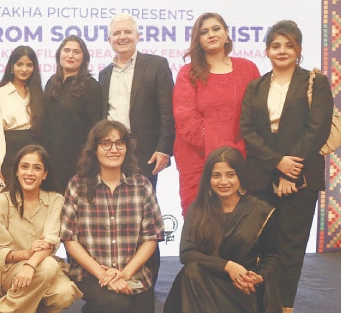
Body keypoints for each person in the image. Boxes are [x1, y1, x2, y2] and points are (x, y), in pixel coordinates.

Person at [155, 147, 341, 313]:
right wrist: (228, 266)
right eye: (216, 175)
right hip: (208, 287)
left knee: (198, 276)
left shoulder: (260, 211)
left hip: (245, 291)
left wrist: (258, 277)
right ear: (208, 179)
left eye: (230, 174)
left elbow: (272, 256)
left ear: (241, 176)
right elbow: (187, 254)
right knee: (191, 273)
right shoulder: (199, 209)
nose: (223, 181)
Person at [240, 20, 334, 313]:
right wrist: (276, 164)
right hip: (262, 176)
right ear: (267, 50)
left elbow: (316, 129)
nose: (282, 51)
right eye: (276, 45)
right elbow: (248, 131)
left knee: (291, 243)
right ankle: (262, 300)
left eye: (288, 45)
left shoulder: (315, 83)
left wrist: (289, 171)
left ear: (299, 49)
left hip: (301, 176)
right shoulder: (256, 85)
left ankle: (284, 305)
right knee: (264, 242)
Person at [60, 120, 163, 313]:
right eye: (106, 143)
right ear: (94, 149)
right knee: (116, 304)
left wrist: (125, 273)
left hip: (133, 274)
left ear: (127, 148)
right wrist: (102, 274)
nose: (113, 149)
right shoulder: (77, 185)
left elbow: (151, 238)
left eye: (119, 143)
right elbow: (69, 239)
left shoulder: (142, 185)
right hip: (92, 273)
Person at [0, 145, 81, 313]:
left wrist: (31, 265)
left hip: (40, 267)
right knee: (49, 265)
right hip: (11, 269)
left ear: (45, 174)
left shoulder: (56, 200)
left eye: (37, 168)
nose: (29, 173)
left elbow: (50, 241)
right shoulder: (1, 202)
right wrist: (27, 255)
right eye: (24, 167)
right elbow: (0, 251)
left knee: (65, 293)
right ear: (16, 171)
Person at [173, 12, 260, 214]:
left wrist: (236, 155)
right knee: (201, 224)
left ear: (227, 33)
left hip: (242, 159)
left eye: (216, 29)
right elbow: (186, 120)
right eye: (204, 32)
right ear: (198, 39)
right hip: (198, 160)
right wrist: (225, 154)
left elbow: (257, 114)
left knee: (239, 223)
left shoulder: (247, 68)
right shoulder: (188, 72)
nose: (211, 34)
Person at [99, 14, 175, 190]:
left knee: (143, 206)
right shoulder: (104, 74)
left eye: (128, 32)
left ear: (138, 36)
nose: (122, 37)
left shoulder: (157, 65)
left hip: (145, 152)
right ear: (110, 40)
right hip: (111, 149)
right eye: (117, 33)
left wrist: (164, 149)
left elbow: (168, 112)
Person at [38, 36, 103, 192]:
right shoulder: (51, 83)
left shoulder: (91, 86)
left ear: (84, 58)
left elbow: (96, 128)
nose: (70, 55)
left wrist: (87, 161)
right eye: (66, 50)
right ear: (59, 54)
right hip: (49, 160)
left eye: (76, 52)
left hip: (77, 162)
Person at [0, 46, 44, 189]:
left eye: (29, 65)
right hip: (9, 155)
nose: (24, 69)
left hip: (34, 154)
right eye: (19, 64)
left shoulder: (39, 94)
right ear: (12, 66)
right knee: (9, 201)